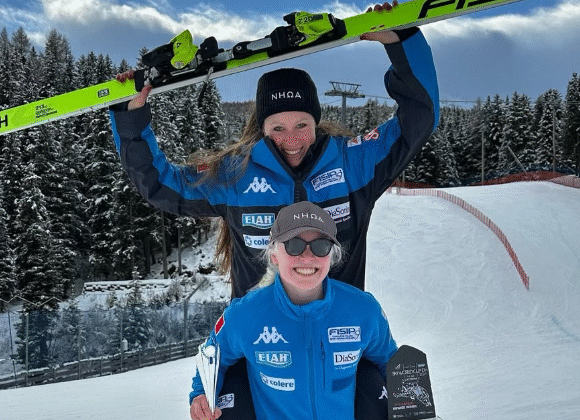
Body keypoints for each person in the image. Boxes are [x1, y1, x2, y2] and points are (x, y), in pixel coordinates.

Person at [109, 2, 439, 299]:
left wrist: (402, 42)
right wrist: (130, 117)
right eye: (278, 129)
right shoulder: (236, 175)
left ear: (316, 122)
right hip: (262, 336)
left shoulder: (353, 164)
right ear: (262, 129)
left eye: (302, 125)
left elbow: (418, 118)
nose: (292, 140)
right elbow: (159, 184)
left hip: (340, 331)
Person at [189, 201, 398, 420]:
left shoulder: (364, 310)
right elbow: (211, 359)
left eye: (320, 246)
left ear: (331, 255)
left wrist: (411, 400)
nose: (307, 257)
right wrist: (200, 395)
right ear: (274, 255)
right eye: (293, 245)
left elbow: (390, 362)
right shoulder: (244, 315)